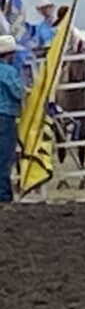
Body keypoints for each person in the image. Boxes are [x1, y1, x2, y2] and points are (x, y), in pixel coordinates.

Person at [0, 34, 22, 203]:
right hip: (5, 116)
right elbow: (17, 93)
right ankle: (4, 194)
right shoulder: (9, 72)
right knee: (5, 156)